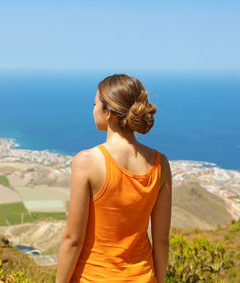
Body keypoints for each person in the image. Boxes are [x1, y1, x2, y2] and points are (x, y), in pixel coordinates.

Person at [56, 74, 172, 283]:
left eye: (95, 104)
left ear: (108, 112)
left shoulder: (87, 161)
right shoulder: (160, 163)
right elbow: (161, 240)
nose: (92, 110)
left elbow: (73, 240)